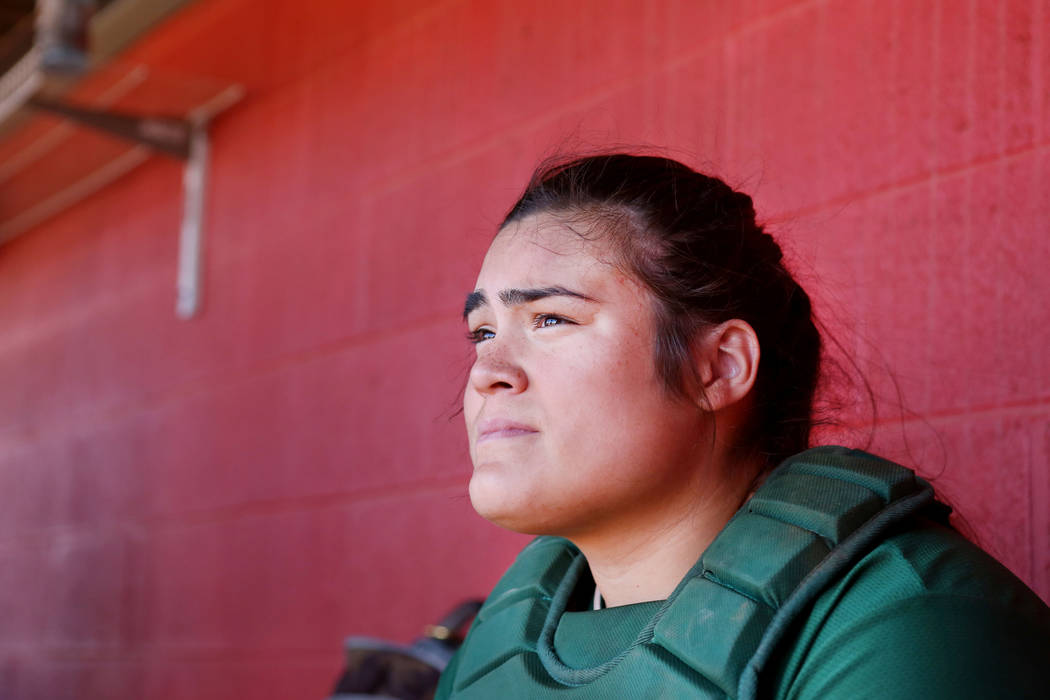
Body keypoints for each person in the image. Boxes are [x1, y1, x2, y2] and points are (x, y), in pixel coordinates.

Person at [435, 154, 1050, 699]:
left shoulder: (911, 624)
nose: (488, 372)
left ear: (718, 368)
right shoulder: (495, 644)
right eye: (483, 332)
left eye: (551, 319)